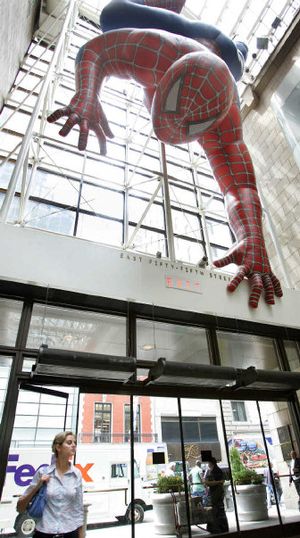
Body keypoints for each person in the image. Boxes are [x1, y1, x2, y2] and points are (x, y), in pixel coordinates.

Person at [47, 0, 283, 309]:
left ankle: (239, 47)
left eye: (193, 124)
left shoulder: (227, 124)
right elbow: (95, 50)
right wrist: (86, 94)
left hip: (223, 54)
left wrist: (254, 238)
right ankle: (227, 42)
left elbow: (241, 187)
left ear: (210, 123)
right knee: (111, 15)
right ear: (165, 75)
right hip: (188, 36)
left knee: (237, 58)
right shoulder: (159, 49)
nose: (176, 125)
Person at [17, 431, 84, 538]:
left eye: (75, 443)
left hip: (70, 532)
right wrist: (38, 485)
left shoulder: (76, 474)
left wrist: (81, 534)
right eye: (69, 442)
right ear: (58, 447)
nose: (74, 445)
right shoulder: (43, 472)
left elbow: (78, 507)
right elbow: (20, 507)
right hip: (44, 532)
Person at [204, 457, 229, 534]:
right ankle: (222, 528)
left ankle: (217, 528)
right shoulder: (216, 470)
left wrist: (207, 482)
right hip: (218, 493)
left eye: (208, 463)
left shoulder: (215, 471)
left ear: (211, 463)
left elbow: (209, 483)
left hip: (216, 494)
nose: (208, 464)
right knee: (219, 510)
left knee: (216, 511)